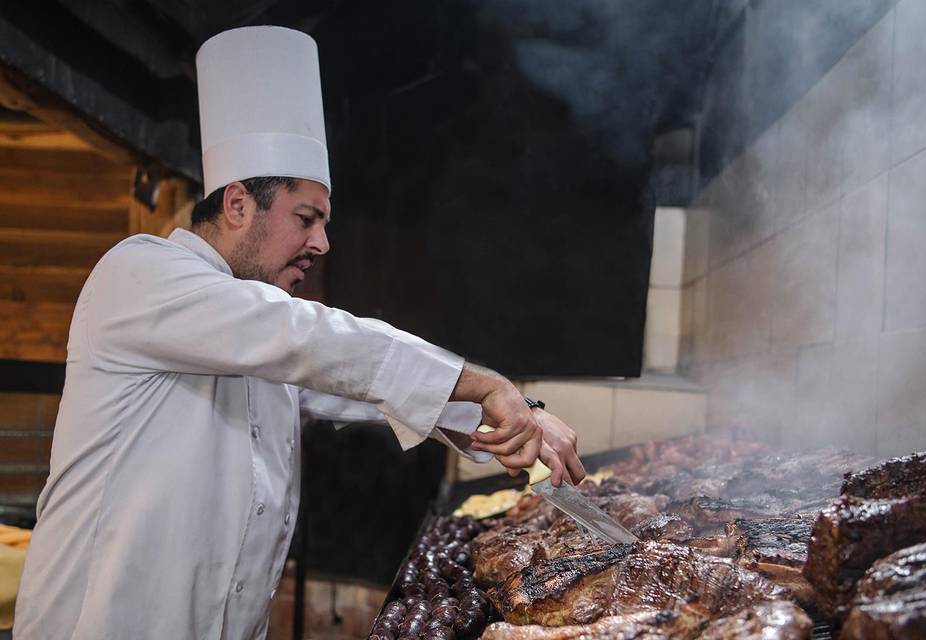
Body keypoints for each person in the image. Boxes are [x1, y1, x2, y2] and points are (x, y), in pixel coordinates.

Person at [13, 26, 585, 640]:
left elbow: (357, 383)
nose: (322, 243)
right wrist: (487, 383)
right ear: (237, 205)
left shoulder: (250, 325)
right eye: (306, 218)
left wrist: (513, 417)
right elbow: (310, 339)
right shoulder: (141, 273)